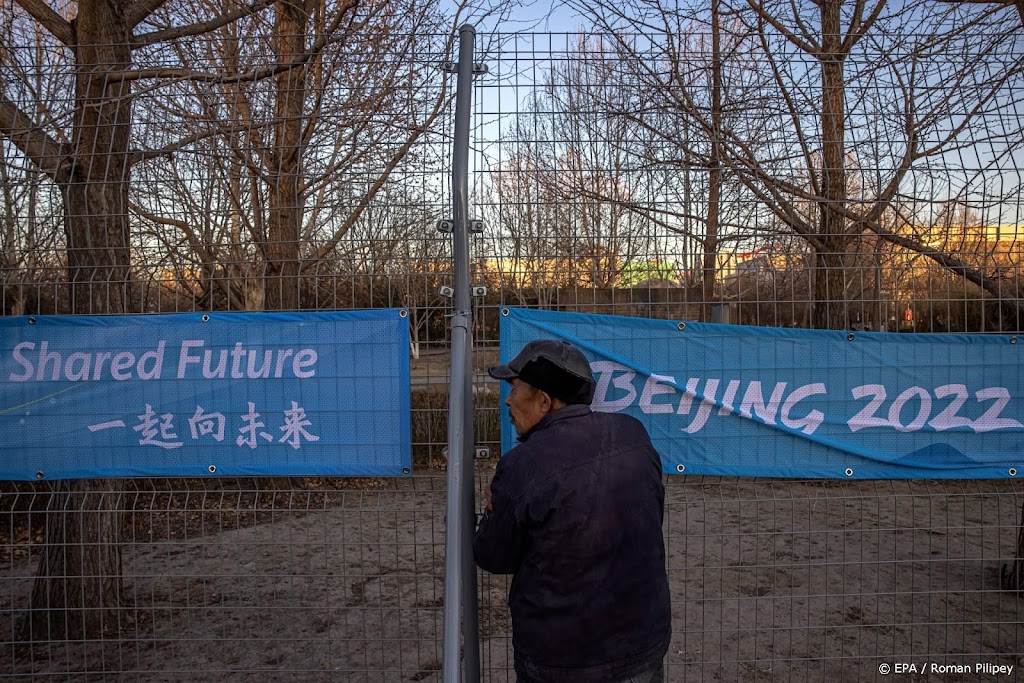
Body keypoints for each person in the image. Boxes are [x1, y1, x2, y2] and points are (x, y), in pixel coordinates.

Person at [474, 339, 672, 683]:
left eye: (515, 389)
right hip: (643, 643)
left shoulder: (524, 464)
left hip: (563, 659)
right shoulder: (633, 434)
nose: (507, 399)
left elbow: (493, 555)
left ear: (545, 401)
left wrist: (491, 512)